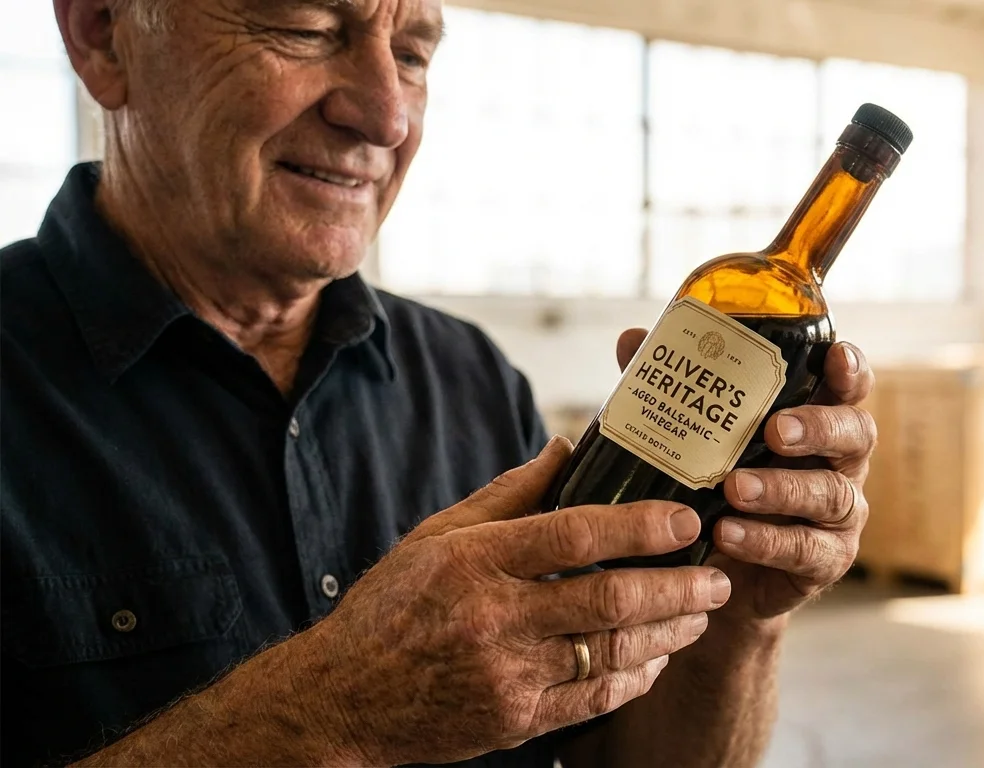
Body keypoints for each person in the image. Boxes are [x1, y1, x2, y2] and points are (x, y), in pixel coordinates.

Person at [0, 0, 878, 766]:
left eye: (413, 55)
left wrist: (738, 618)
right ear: (102, 37)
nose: (386, 117)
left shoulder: (473, 380)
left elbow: (619, 752)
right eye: (307, 26)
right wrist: (332, 712)